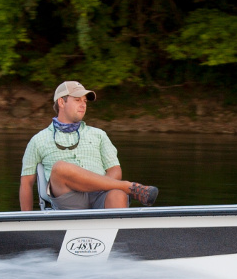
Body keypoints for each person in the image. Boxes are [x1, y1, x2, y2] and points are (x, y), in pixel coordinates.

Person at [18, 81, 159, 210]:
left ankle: (118, 234)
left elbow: (115, 169)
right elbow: (26, 183)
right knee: (60, 168)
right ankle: (128, 186)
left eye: (85, 101)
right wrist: (26, 222)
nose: (83, 104)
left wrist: (98, 185)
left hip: (100, 194)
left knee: (117, 194)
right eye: (77, 100)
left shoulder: (99, 134)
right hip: (68, 199)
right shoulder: (38, 140)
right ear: (61, 102)